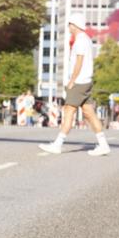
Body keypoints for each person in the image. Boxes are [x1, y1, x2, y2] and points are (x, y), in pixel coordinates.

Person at [39, 12, 110, 156]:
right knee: (89, 113)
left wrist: (72, 80)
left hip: (79, 82)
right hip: (86, 81)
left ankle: (57, 145)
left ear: (75, 25)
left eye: (70, 24)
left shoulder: (81, 40)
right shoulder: (86, 39)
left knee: (68, 112)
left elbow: (79, 61)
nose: (69, 27)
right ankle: (103, 145)